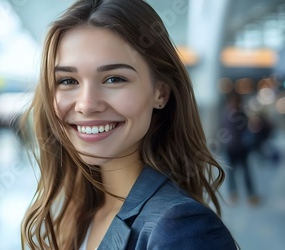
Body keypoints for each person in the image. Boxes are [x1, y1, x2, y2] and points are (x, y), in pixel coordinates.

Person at [19, 0, 237, 249]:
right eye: (68, 81)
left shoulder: (182, 228)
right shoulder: (79, 211)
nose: (87, 104)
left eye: (114, 79)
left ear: (160, 93)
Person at [221, 92, 259, 205]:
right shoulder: (226, 114)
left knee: (246, 172)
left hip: (242, 148)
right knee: (231, 173)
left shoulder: (242, 115)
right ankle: (233, 194)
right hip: (230, 148)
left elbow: (247, 131)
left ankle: (251, 194)